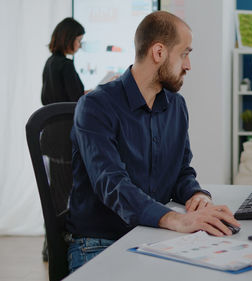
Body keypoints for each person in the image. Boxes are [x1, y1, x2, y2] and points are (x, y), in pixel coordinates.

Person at [66, 11, 240, 272]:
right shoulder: (95, 106)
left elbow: (181, 171)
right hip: (100, 242)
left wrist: (196, 194)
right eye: (184, 53)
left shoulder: (176, 106)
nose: (188, 65)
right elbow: (111, 184)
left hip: (152, 235)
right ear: (158, 52)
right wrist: (176, 220)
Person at [40, 17, 85, 262]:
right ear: (69, 38)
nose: (79, 45)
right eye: (78, 40)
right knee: (65, 197)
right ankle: (58, 249)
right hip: (63, 141)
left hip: (49, 137)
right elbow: (76, 100)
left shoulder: (50, 63)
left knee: (55, 195)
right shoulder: (66, 66)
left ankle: (51, 246)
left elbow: (47, 97)